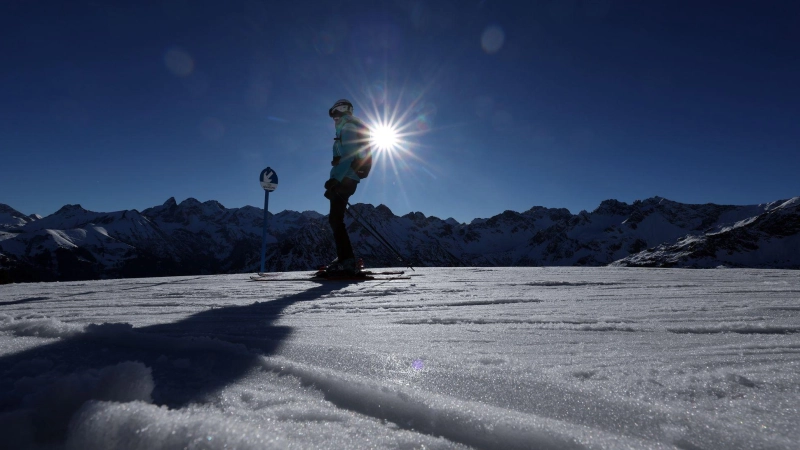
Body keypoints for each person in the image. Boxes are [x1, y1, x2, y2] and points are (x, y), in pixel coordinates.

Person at [323, 99, 369, 275]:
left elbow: (349, 156)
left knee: (335, 219)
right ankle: (345, 257)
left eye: (334, 115)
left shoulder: (348, 127)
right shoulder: (349, 127)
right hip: (348, 177)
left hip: (345, 179)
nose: (333, 119)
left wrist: (335, 179)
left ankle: (346, 260)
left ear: (340, 112)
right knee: (336, 219)